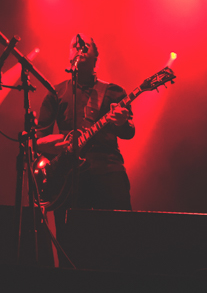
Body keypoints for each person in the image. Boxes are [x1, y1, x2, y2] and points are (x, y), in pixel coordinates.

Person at [36, 34, 134, 217]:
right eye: (75, 45)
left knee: (118, 229)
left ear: (96, 56)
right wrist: (52, 146)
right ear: (69, 55)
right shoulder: (55, 93)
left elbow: (129, 132)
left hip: (108, 170)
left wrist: (122, 122)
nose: (79, 48)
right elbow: (39, 138)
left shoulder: (114, 92)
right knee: (71, 232)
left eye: (85, 46)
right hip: (68, 176)